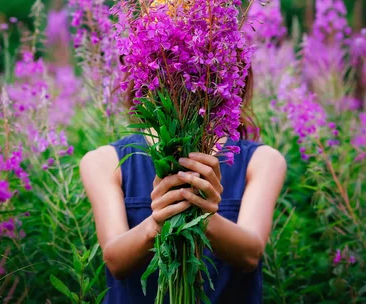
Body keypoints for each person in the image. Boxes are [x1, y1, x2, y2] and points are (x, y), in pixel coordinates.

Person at [80, 72, 287, 303]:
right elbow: (115, 261)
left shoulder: (262, 161)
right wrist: (156, 224)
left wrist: (204, 214)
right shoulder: (104, 161)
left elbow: (250, 254)